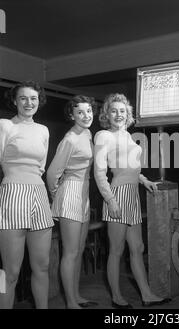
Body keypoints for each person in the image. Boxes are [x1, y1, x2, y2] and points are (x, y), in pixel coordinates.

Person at [94, 93, 171, 308]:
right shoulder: (103, 136)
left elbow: (131, 168)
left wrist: (144, 180)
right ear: (107, 114)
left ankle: (147, 295)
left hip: (133, 196)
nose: (118, 115)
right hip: (116, 195)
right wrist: (110, 200)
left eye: (122, 111)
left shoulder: (127, 136)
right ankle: (116, 297)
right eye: (114, 111)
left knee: (137, 248)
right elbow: (100, 174)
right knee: (116, 250)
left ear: (127, 114)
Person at [0, 81, 54, 309]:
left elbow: (41, 166)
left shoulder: (43, 130)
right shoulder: (4, 125)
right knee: (9, 272)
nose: (28, 102)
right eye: (23, 98)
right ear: (15, 101)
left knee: (42, 266)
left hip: (39, 193)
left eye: (33, 98)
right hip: (13, 193)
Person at [47, 95, 98, 309]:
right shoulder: (69, 139)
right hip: (70, 193)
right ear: (72, 115)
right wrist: (56, 196)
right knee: (70, 252)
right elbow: (51, 173)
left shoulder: (87, 133)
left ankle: (76, 296)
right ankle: (70, 303)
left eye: (89, 111)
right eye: (80, 112)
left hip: (84, 193)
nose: (86, 116)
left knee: (78, 249)